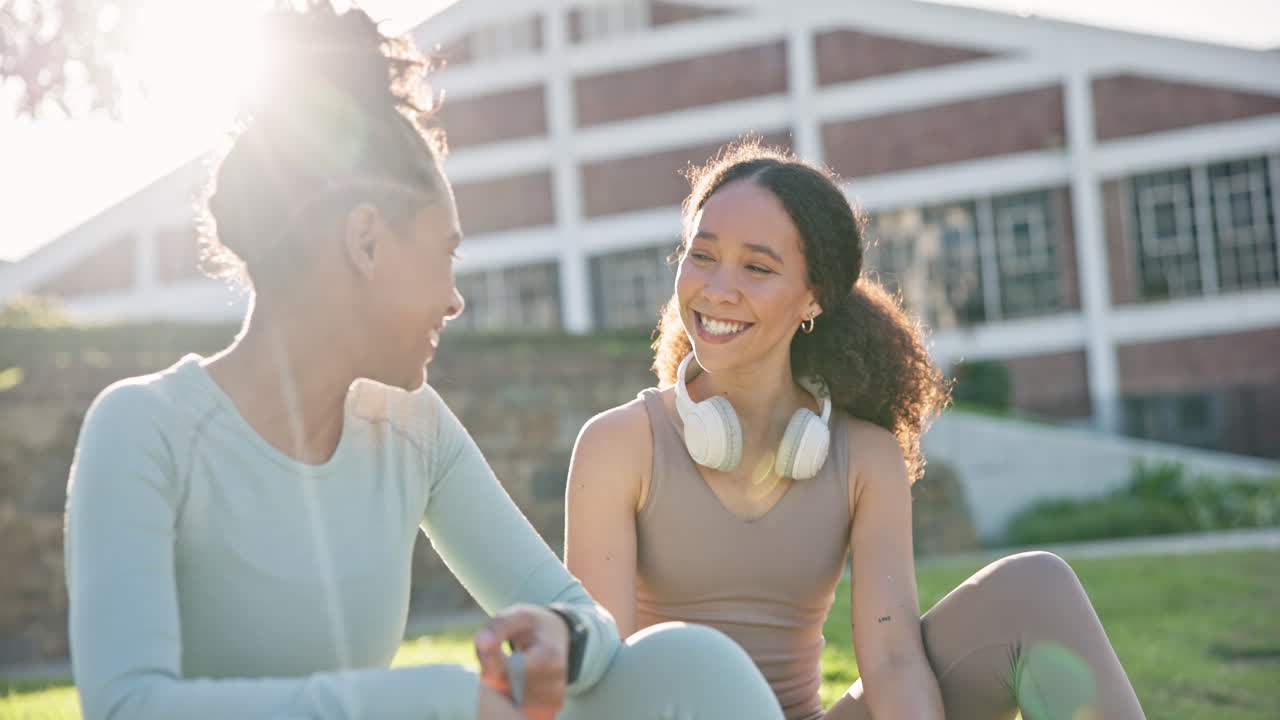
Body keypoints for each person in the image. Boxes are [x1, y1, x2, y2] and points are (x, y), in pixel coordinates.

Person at [62, 5, 787, 720]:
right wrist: (435, 702)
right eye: (445, 256)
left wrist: (561, 639)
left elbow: (579, 614)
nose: (454, 301)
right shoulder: (143, 428)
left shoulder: (411, 430)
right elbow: (129, 705)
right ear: (368, 243)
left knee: (693, 668)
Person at [565, 140, 1148, 720]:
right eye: (702, 255)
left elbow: (894, 661)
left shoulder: (865, 458)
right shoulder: (619, 445)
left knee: (1035, 586)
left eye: (758, 267)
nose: (718, 287)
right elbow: (605, 679)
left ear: (813, 298)